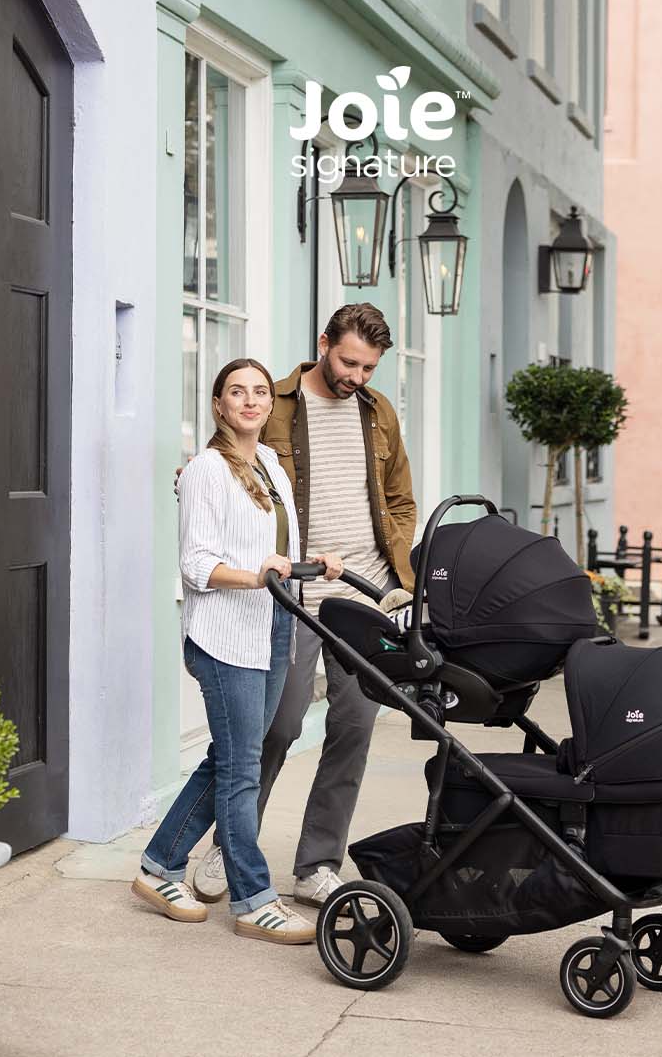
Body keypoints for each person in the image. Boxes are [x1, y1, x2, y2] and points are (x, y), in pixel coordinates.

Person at [193, 303, 416, 909]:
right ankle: (232, 844)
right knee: (277, 725)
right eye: (348, 361)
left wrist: (397, 573)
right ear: (323, 344)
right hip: (294, 595)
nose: (357, 377)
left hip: (363, 597)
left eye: (369, 368)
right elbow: (233, 468)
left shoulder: (379, 414)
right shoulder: (280, 404)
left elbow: (400, 500)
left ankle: (317, 863)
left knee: (352, 731)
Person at [132, 358, 343, 944]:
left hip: (273, 626)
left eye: (258, 392)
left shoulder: (270, 464)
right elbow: (197, 565)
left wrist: (310, 562)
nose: (250, 401)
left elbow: (272, 550)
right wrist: (259, 577)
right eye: (236, 392)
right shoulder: (204, 470)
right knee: (243, 768)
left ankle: (159, 865)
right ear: (218, 406)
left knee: (229, 759)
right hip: (225, 636)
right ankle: (253, 899)